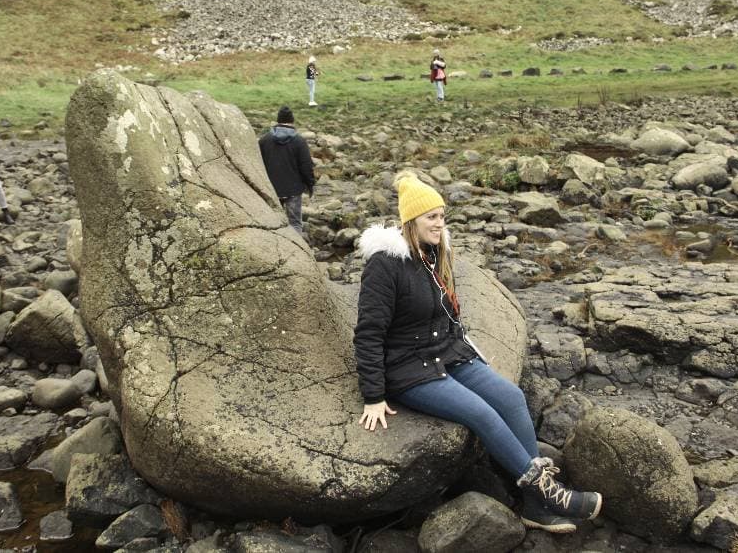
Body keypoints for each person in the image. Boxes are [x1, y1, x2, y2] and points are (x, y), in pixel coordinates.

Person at [354, 172, 602, 533]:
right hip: (409, 368)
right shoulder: (385, 265)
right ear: (411, 221)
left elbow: (449, 315)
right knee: (482, 414)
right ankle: (551, 494)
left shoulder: (436, 256)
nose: (439, 223)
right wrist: (373, 395)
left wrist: (467, 350)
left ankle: (534, 504)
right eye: (431, 217)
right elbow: (369, 332)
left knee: (512, 397)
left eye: (442, 216)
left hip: (449, 354)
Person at [258, 106, 315, 235]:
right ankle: (297, 252)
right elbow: (306, 166)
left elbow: (258, 165)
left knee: (270, 223)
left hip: (270, 190)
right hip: (293, 190)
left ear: (277, 121)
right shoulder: (300, 141)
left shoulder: (264, 140)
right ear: (292, 121)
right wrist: (310, 185)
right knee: (295, 223)